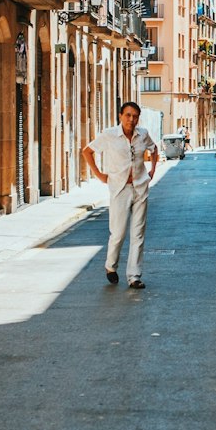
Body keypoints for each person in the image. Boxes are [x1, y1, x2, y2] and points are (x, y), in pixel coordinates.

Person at [82, 101, 158, 290]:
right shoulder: (109, 135)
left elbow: (154, 149)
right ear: (120, 116)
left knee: (138, 234)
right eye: (128, 115)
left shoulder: (143, 135)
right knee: (118, 233)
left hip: (140, 187)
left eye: (135, 116)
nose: (131, 120)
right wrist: (99, 175)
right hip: (119, 189)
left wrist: (152, 171)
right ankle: (111, 266)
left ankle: (134, 276)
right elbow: (87, 151)